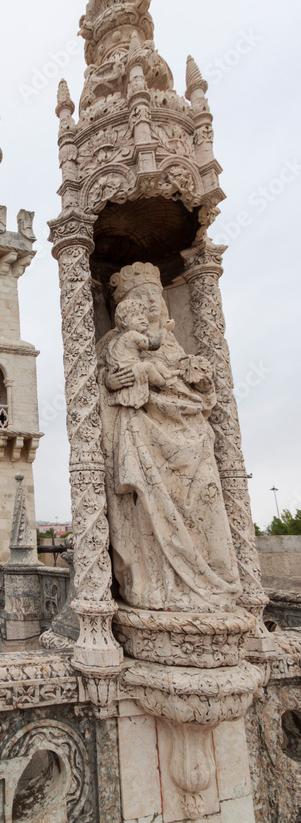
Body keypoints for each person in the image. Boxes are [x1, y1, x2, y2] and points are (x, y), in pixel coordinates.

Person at [97, 261, 241, 613]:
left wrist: (201, 380)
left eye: (154, 299)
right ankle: (156, 583)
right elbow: (102, 382)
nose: (149, 307)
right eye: (140, 301)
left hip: (191, 436)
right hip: (143, 435)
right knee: (147, 509)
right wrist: (113, 382)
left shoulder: (173, 346)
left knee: (207, 497)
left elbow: (205, 397)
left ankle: (212, 581)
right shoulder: (114, 344)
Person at [105, 297, 175, 409]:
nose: (143, 319)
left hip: (137, 375)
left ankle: (169, 378)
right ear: (124, 320)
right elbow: (154, 344)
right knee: (149, 365)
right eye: (136, 316)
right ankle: (166, 385)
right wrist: (165, 329)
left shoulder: (117, 340)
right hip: (131, 375)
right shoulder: (131, 335)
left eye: (143, 315)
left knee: (153, 363)